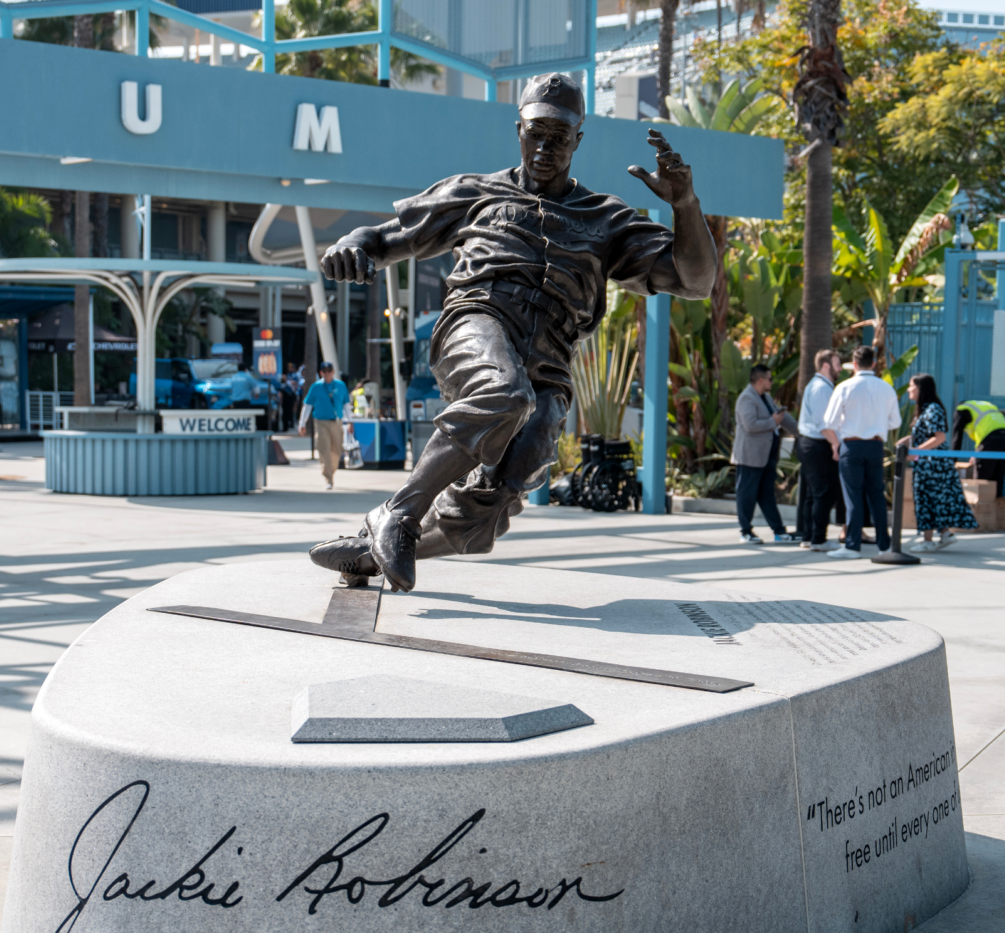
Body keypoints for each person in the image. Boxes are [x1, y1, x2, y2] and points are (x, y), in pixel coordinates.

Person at [304, 72, 717, 591]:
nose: (545, 148)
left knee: (494, 504)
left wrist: (685, 205)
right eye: (535, 133)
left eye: (559, 137)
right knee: (504, 393)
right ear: (518, 130)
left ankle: (372, 554)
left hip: (551, 360)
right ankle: (399, 514)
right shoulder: (474, 192)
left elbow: (696, 281)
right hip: (478, 321)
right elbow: (385, 237)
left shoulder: (607, 219)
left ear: (578, 140)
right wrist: (353, 245)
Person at [820, 346, 902, 559]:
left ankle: (852, 546)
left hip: (852, 445)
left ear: (854, 364)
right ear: (874, 363)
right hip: (876, 446)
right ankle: (885, 546)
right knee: (877, 496)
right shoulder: (886, 388)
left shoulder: (844, 387)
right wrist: (876, 424)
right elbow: (895, 422)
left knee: (853, 496)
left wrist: (845, 428)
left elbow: (829, 422)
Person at [897, 373, 979, 552]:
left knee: (927, 500)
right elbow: (926, 435)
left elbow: (939, 437)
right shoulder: (925, 409)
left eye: (912, 386)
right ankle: (945, 534)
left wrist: (916, 451)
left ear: (921, 388)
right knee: (935, 501)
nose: (909, 389)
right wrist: (909, 440)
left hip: (933, 466)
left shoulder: (932, 409)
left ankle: (928, 541)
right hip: (930, 464)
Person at [732, 365, 793, 544]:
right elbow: (750, 425)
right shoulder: (746, 398)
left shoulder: (765, 397)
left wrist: (802, 432)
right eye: (770, 379)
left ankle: (779, 531)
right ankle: (745, 532)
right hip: (750, 457)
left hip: (766, 456)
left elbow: (781, 418)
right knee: (746, 495)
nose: (772, 382)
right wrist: (772, 421)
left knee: (767, 494)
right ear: (760, 380)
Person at [795, 348, 845, 551]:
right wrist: (835, 444)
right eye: (837, 364)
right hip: (817, 444)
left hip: (812, 443)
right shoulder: (821, 388)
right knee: (824, 493)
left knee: (813, 493)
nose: (840, 369)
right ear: (826, 366)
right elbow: (823, 423)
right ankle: (818, 539)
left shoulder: (819, 386)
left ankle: (810, 536)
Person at [297, 361, 349, 490]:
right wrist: (302, 423)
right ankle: (328, 477)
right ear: (321, 373)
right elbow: (307, 406)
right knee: (324, 448)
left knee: (337, 450)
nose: (327, 373)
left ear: (333, 372)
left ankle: (331, 471)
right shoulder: (316, 387)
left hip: (337, 422)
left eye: (329, 371)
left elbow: (346, 405)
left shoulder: (341, 385)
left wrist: (350, 421)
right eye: (324, 371)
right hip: (321, 422)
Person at [952, 398, 1005, 493]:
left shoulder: (962, 409)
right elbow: (986, 431)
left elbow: (957, 438)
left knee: (981, 482)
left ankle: (980, 501)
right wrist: (976, 454)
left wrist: (952, 462)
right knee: (997, 480)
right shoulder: (986, 405)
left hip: (991, 439)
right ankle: (996, 501)